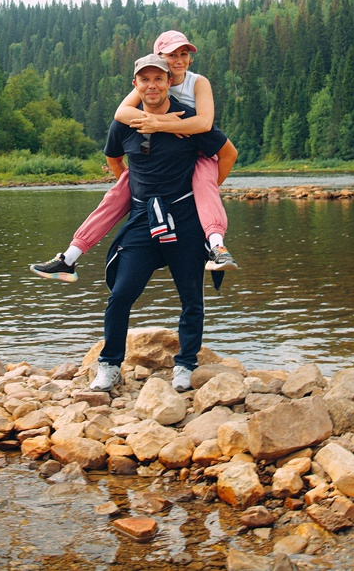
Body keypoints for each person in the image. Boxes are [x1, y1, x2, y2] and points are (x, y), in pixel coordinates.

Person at [30, 29, 236, 281]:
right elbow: (121, 113)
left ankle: (217, 247)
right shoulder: (151, 81)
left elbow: (204, 123)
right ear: (159, 58)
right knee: (113, 199)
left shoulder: (197, 82)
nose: (179, 60)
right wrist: (135, 183)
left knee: (204, 186)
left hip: (198, 152)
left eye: (184, 54)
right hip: (153, 162)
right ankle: (69, 258)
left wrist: (162, 124)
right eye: (172, 55)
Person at [87, 54, 238, 392]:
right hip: (143, 219)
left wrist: (208, 189)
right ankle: (109, 365)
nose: (152, 85)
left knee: (191, 297)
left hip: (185, 219)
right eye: (145, 79)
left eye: (158, 78)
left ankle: (185, 365)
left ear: (170, 82)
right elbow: (113, 157)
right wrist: (133, 186)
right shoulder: (124, 123)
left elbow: (228, 154)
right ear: (135, 84)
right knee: (121, 293)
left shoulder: (188, 120)